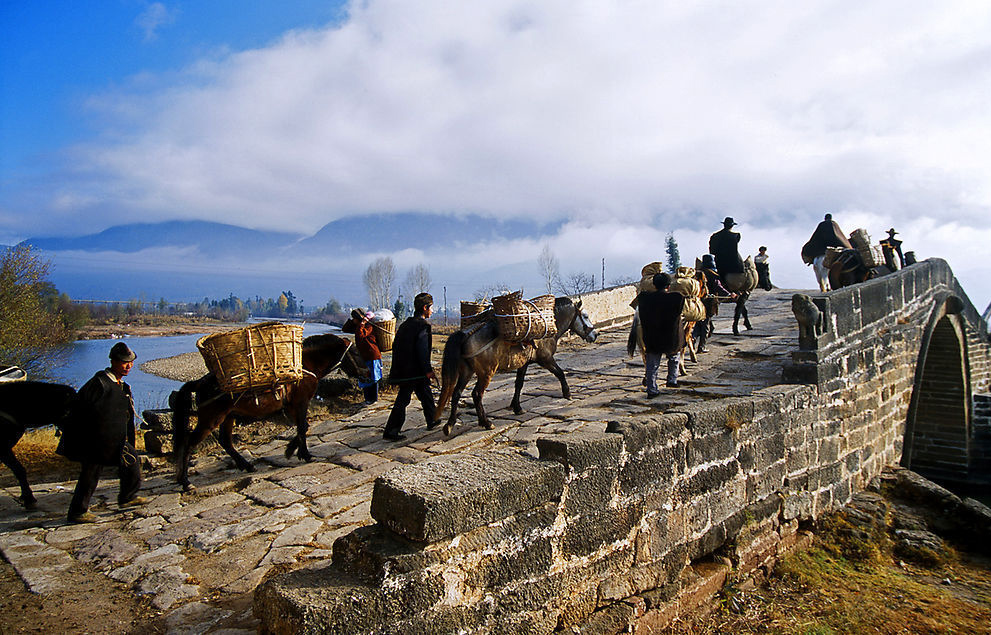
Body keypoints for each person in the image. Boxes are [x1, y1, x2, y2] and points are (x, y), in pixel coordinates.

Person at [56, 342, 146, 523]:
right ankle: (78, 512)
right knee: (90, 475)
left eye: (130, 362)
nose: (128, 366)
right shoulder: (99, 384)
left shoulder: (122, 386)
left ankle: (127, 497)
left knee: (133, 462)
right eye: (124, 362)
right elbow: (78, 410)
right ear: (113, 361)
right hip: (95, 441)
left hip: (116, 440)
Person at [383, 293, 437, 441]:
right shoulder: (423, 326)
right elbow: (422, 350)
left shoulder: (405, 325)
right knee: (403, 399)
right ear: (425, 308)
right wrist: (428, 370)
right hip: (414, 371)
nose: (432, 311)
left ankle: (432, 419)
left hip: (403, 369)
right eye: (431, 308)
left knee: (425, 393)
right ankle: (391, 431)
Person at [637, 273, 686, 394]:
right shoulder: (677, 298)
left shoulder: (644, 298)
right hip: (671, 336)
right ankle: (672, 380)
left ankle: (652, 389)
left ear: (653, 285)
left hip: (652, 336)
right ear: (669, 286)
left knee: (652, 364)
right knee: (674, 357)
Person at [801, 213, 853, 292]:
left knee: (818, 270)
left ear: (825, 218)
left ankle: (823, 286)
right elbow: (839, 236)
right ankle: (829, 286)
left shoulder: (821, 225)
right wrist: (846, 245)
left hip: (819, 252)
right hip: (833, 249)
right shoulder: (834, 225)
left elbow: (815, 237)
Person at [342, 308, 382, 404]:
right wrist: (353, 322)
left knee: (373, 378)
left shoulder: (369, 326)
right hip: (363, 356)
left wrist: (362, 323)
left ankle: (373, 399)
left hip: (372, 355)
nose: (353, 320)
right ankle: (368, 399)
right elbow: (345, 329)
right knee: (364, 377)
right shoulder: (358, 326)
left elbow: (360, 335)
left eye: (354, 319)